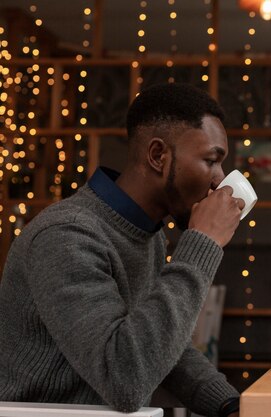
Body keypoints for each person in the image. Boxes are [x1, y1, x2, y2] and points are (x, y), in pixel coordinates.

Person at [0, 83, 243, 416]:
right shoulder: (67, 235)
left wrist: (231, 405)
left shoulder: (148, 234)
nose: (220, 180)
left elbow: (156, 345)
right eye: (211, 161)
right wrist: (202, 244)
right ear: (159, 156)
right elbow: (124, 378)